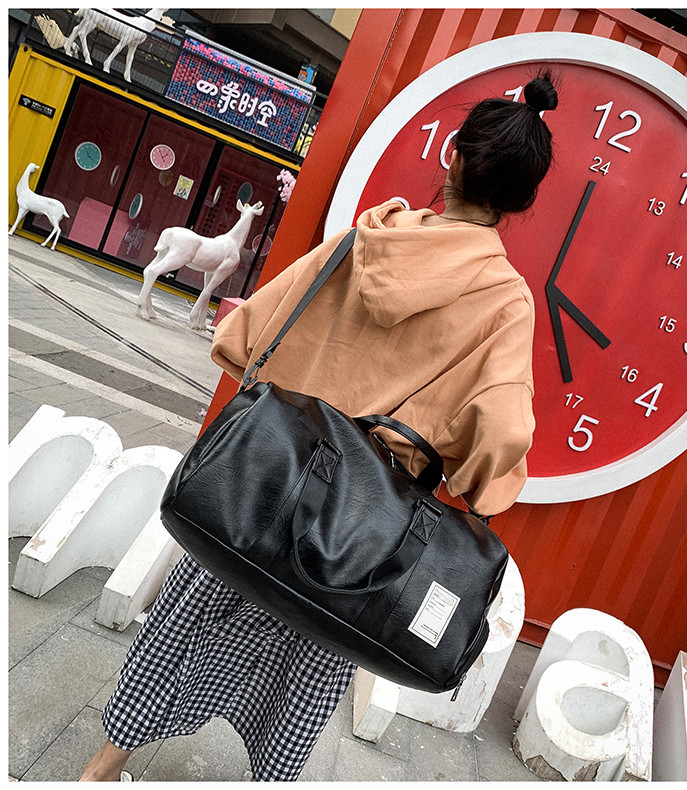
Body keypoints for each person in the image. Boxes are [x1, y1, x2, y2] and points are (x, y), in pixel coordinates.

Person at [79, 71, 558, 782]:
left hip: (264, 479)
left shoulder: (366, 240)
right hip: (361, 529)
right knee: (307, 663)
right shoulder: (505, 301)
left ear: (452, 156)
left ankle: (101, 768)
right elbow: (498, 439)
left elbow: (248, 335)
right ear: (521, 201)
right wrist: (472, 475)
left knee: (189, 623)